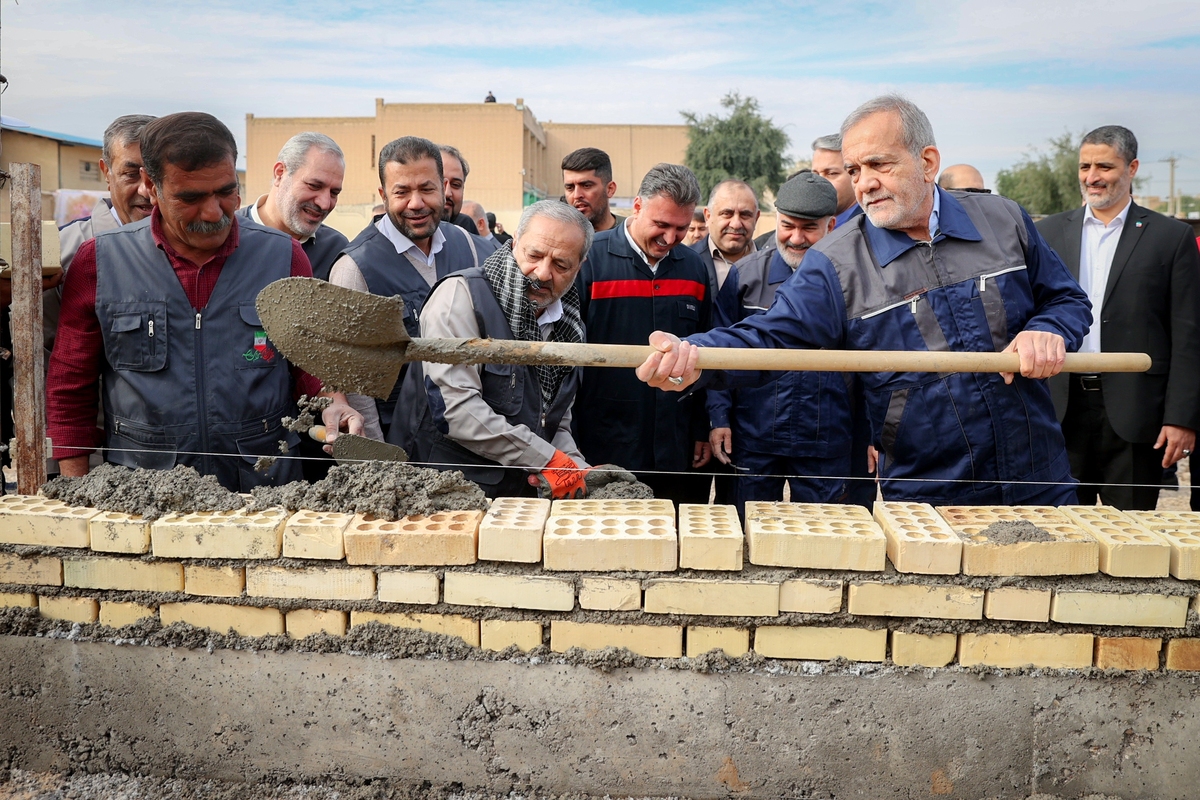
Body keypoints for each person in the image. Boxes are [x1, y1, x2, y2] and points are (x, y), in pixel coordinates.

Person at [635, 95, 1092, 507]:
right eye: (854, 171)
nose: (865, 184)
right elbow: (770, 336)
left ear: (928, 161)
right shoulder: (835, 263)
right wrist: (694, 357)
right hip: (927, 488)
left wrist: (1048, 329)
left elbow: (1067, 299)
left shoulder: (1003, 218)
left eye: (879, 165)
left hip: (1037, 474)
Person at [46, 112, 362, 491]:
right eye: (191, 197)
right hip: (143, 493)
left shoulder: (284, 258)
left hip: (263, 489)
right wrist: (76, 490)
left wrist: (334, 401)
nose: (214, 213)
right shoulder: (99, 263)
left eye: (226, 192)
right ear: (151, 184)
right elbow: (69, 388)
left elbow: (312, 361)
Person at [1037, 125, 1200, 510]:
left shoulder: (1170, 238)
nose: (1092, 177)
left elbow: (1189, 334)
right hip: (1061, 409)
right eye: (1085, 166)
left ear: (1132, 167)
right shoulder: (1047, 233)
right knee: (1061, 530)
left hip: (1136, 414)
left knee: (1131, 538)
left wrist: (1181, 418)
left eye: (1104, 166)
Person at [394, 201, 602, 498]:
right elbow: (456, 410)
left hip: (515, 503)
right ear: (514, 242)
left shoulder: (569, 324)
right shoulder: (461, 296)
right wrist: (546, 459)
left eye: (561, 265)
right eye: (534, 255)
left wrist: (576, 468)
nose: (542, 273)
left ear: (579, 266)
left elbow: (555, 422)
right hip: (441, 496)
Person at [707, 172, 853, 513]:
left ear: (831, 225)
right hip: (754, 434)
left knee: (823, 536)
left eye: (809, 228)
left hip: (827, 438)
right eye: (788, 225)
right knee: (749, 532)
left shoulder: (853, 281)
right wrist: (719, 418)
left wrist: (873, 437)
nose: (796, 238)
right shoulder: (745, 275)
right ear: (775, 219)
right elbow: (720, 349)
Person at [330, 136, 487, 440]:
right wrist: (383, 462)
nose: (416, 204)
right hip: (403, 444)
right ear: (384, 195)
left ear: (443, 187)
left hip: (473, 439)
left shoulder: (467, 245)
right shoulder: (354, 269)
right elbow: (356, 382)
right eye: (402, 192)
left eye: (427, 189)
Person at [573, 163, 713, 504]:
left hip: (674, 445)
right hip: (602, 441)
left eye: (681, 229)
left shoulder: (694, 267)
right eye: (661, 225)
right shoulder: (589, 259)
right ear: (636, 206)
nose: (670, 239)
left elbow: (707, 349)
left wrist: (700, 430)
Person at [237, 132, 349, 281]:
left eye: (334, 193)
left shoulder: (336, 250)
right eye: (314, 186)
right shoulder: (227, 237)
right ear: (280, 173)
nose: (325, 203)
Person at [59, 115, 156, 270]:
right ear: (106, 172)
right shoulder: (63, 250)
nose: (145, 191)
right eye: (131, 175)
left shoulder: (197, 246)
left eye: (156, 175)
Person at [693, 179, 760, 312]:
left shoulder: (772, 267)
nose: (736, 224)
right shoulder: (686, 264)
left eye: (745, 215)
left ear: (756, 218)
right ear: (708, 216)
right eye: (726, 214)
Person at [562, 147, 622, 232]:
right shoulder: (557, 238)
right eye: (570, 188)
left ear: (610, 189)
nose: (576, 195)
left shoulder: (632, 234)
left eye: (586, 186)